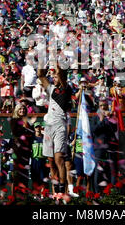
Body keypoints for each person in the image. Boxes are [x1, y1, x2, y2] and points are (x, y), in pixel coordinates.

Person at [37, 66, 73, 195]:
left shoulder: (66, 88)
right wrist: (41, 57)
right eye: (53, 76)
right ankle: (55, 190)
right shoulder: (51, 89)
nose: (53, 78)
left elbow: (62, 75)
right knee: (51, 162)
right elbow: (41, 75)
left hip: (60, 126)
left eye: (56, 76)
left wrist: (57, 63)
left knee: (59, 159)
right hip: (49, 126)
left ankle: (62, 190)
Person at [9, 103, 35, 195]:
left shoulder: (28, 121)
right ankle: (16, 194)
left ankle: (25, 193)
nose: (22, 111)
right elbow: (16, 132)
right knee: (17, 173)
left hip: (26, 151)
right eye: (20, 109)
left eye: (23, 109)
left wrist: (27, 128)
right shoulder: (14, 120)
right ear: (17, 110)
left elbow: (32, 134)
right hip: (18, 151)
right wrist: (24, 128)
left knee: (25, 172)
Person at [30, 122, 49, 195]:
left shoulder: (44, 138)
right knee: (35, 179)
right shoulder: (32, 138)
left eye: (39, 127)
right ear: (34, 128)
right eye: (36, 127)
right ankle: (35, 195)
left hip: (43, 160)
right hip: (34, 160)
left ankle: (43, 195)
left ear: (41, 128)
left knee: (43, 179)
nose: (37, 128)